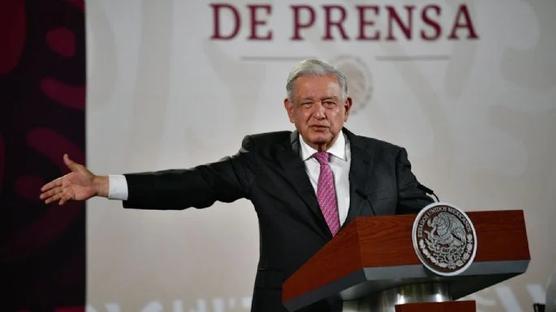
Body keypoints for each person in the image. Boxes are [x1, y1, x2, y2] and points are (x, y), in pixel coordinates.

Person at [40, 59, 433, 311]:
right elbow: (196, 185)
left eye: (329, 103)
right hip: (287, 307)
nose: (318, 114)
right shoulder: (263, 157)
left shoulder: (386, 160)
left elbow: (425, 221)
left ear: (346, 108)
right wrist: (103, 184)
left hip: (369, 306)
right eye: (306, 104)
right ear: (289, 110)